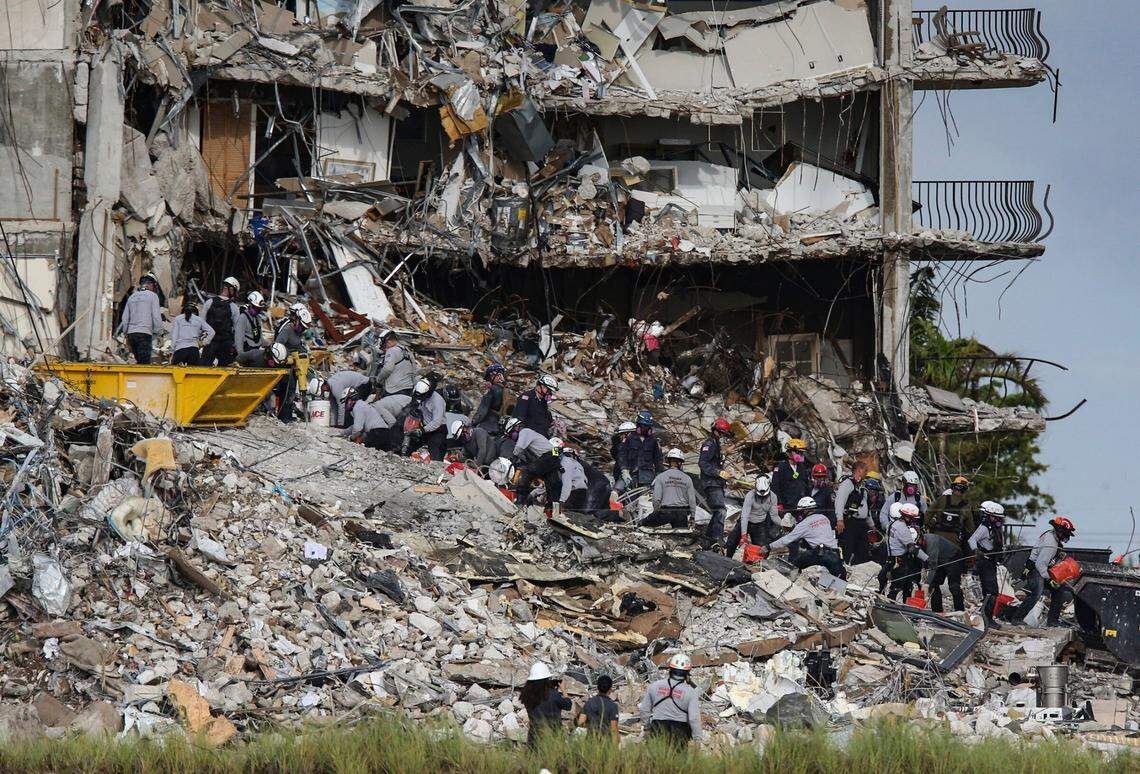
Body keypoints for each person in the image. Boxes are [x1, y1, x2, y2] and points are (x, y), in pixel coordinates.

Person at [999, 516, 1076, 627]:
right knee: (1036, 594)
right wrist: (1050, 579)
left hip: (1038, 568)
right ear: (1060, 532)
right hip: (1037, 570)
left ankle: (1052, 621)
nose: (1066, 537)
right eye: (1066, 534)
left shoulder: (1050, 534)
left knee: (1059, 591)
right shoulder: (1051, 545)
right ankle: (1017, 618)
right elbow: (1040, 564)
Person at [762, 497, 846, 579]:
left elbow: (786, 540)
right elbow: (817, 534)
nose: (800, 514)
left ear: (805, 510)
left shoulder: (804, 524)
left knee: (793, 568)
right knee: (840, 580)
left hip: (821, 554)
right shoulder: (824, 518)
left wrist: (768, 547)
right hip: (835, 554)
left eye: (800, 511)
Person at [640, 653, 702, 747]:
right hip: (679, 732)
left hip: (657, 728)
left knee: (654, 760)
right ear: (687, 672)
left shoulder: (655, 686)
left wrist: (647, 728)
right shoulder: (691, 692)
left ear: (670, 669)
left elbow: (644, 709)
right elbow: (694, 718)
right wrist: (697, 739)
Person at [697, 417, 734, 551]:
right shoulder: (709, 444)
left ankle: (708, 538)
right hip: (711, 483)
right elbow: (703, 463)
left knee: (717, 511)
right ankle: (717, 538)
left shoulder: (716, 444)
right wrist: (718, 472)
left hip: (716, 482)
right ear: (715, 431)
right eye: (722, 434)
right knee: (720, 510)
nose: (723, 437)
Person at [878, 502, 927, 602]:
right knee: (898, 586)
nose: (913, 521)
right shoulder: (903, 529)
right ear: (907, 517)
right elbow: (912, 548)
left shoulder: (892, 524)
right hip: (900, 561)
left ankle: (881, 596)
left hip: (890, 558)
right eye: (913, 518)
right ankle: (892, 605)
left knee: (882, 577)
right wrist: (926, 558)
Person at [725, 474, 781, 558]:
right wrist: (743, 535)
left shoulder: (773, 497)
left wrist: (783, 524)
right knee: (731, 544)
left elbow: (774, 516)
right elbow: (745, 515)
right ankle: (727, 559)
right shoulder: (750, 495)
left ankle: (755, 565)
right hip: (745, 522)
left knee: (762, 550)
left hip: (759, 525)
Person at [519, 662, 570, 747]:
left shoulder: (526, 695)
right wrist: (563, 690)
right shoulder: (553, 695)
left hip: (534, 736)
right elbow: (568, 705)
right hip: (553, 735)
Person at [116, 273, 164, 364]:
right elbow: (156, 316)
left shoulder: (132, 297)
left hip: (131, 335)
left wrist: (126, 333)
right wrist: (160, 333)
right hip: (144, 333)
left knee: (138, 361)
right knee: (144, 364)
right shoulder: (153, 296)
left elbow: (125, 318)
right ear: (151, 284)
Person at [645, 448, 695, 528]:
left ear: (668, 462)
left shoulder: (661, 477)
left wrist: (656, 512)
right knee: (681, 535)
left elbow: (656, 499)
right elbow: (692, 500)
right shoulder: (687, 478)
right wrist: (692, 517)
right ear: (680, 463)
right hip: (681, 514)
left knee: (643, 524)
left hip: (665, 513)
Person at [835, 467, 877, 565]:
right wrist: (839, 519)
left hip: (862, 524)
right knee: (848, 548)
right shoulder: (847, 485)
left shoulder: (862, 488)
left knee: (863, 550)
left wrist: (871, 525)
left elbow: (866, 510)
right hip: (850, 522)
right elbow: (840, 502)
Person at [401, 377, 447, 459]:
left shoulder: (437, 401)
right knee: (411, 446)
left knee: (434, 450)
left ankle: (435, 468)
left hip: (437, 430)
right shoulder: (419, 392)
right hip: (423, 425)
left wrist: (422, 430)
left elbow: (437, 422)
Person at [969, 501, 1006, 602]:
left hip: (991, 560)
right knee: (992, 590)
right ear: (992, 517)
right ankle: (987, 612)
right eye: (998, 518)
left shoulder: (996, 528)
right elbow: (972, 540)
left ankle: (986, 612)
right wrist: (976, 550)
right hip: (984, 560)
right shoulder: (985, 528)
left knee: (989, 589)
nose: (1000, 520)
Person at [201, 277, 241, 366]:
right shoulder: (234, 307)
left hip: (210, 342)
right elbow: (236, 329)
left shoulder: (209, 302)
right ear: (231, 289)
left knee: (204, 367)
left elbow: (201, 323)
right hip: (225, 343)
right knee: (225, 368)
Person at [619, 411, 663, 490]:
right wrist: (624, 471)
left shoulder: (653, 441)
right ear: (638, 425)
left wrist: (658, 474)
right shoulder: (629, 438)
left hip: (647, 476)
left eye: (647, 426)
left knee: (645, 499)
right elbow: (622, 455)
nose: (645, 428)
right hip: (630, 474)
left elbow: (658, 459)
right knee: (616, 493)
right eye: (644, 426)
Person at [771, 438, 812, 512]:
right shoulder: (780, 467)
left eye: (801, 453)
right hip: (786, 506)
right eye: (798, 452)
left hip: (801, 505)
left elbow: (806, 485)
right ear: (789, 452)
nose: (800, 455)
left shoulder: (802, 467)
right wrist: (778, 503)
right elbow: (775, 487)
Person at [470, 363, 513, 432]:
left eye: (489, 378)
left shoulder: (492, 390)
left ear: (493, 375)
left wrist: (473, 423)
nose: (488, 381)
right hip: (501, 429)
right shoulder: (508, 391)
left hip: (487, 427)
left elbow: (482, 411)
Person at [169, 301, 214, 366]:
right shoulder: (199, 319)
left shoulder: (178, 318)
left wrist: (171, 351)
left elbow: (174, 336)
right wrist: (203, 343)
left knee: (176, 373)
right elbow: (212, 332)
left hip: (180, 349)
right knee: (192, 374)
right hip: (194, 350)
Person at [577, 674, 619, 741]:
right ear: (610, 689)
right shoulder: (613, 706)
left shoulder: (589, 703)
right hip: (605, 744)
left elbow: (581, 723)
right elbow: (613, 729)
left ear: (597, 687)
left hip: (590, 742)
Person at [234, 291, 266, 355]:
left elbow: (260, 337)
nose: (258, 311)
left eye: (259, 309)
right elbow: (238, 339)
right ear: (250, 304)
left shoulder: (257, 318)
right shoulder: (243, 318)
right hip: (247, 351)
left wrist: (271, 344)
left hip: (257, 350)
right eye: (256, 308)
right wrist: (241, 355)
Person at [611, 421, 636, 490]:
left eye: (621, 434)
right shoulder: (619, 445)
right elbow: (616, 455)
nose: (620, 436)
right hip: (619, 475)